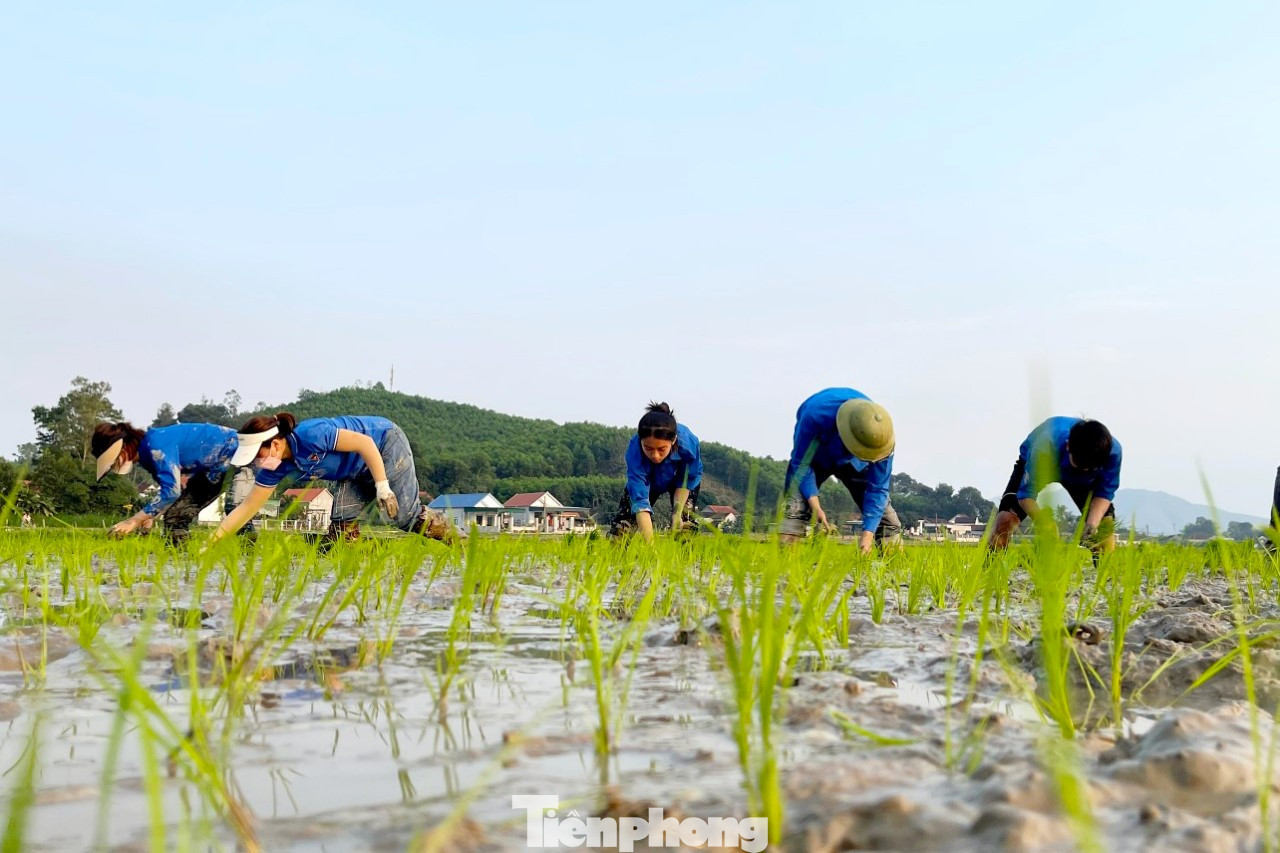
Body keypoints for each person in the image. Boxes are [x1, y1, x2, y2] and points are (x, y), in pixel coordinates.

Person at [211, 412, 455, 545]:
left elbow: (365, 443)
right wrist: (210, 543)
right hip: (354, 472)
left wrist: (382, 487)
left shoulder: (311, 434)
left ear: (274, 444)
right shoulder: (275, 468)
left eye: (257, 456)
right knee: (339, 534)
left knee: (404, 517)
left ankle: (460, 542)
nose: (256, 463)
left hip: (383, 444)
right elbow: (246, 508)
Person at [780, 388, 900, 553]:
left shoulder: (881, 440)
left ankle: (894, 572)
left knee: (887, 522)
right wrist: (816, 507)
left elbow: (877, 489)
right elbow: (801, 464)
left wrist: (867, 535)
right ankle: (785, 568)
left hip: (856, 464)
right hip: (816, 457)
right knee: (795, 509)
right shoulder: (816, 415)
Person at [91, 420, 245, 544]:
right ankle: (183, 559)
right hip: (214, 465)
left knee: (233, 509)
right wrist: (149, 517)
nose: (114, 466)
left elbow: (171, 492)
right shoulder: (147, 456)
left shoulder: (155, 446)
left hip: (230, 454)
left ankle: (247, 552)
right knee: (175, 514)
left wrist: (134, 520)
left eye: (113, 462)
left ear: (123, 449)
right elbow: (171, 491)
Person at [988, 417, 1121, 552]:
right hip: (1043, 461)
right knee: (1006, 521)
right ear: (1068, 445)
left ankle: (1104, 571)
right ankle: (991, 569)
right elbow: (1025, 496)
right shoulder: (1044, 448)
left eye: (1091, 468)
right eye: (1080, 465)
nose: (1084, 471)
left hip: (1084, 481)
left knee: (1104, 529)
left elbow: (1103, 494)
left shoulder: (1113, 453)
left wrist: (1092, 524)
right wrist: (1045, 523)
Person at [609, 403, 703, 541]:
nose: (655, 456)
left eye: (661, 449)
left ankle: (686, 561)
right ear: (641, 441)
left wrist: (676, 515)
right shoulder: (635, 452)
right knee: (621, 530)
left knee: (685, 525)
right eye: (648, 448)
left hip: (681, 483)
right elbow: (640, 503)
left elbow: (685, 482)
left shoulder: (688, 445)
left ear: (673, 440)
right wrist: (651, 549)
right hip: (649, 481)